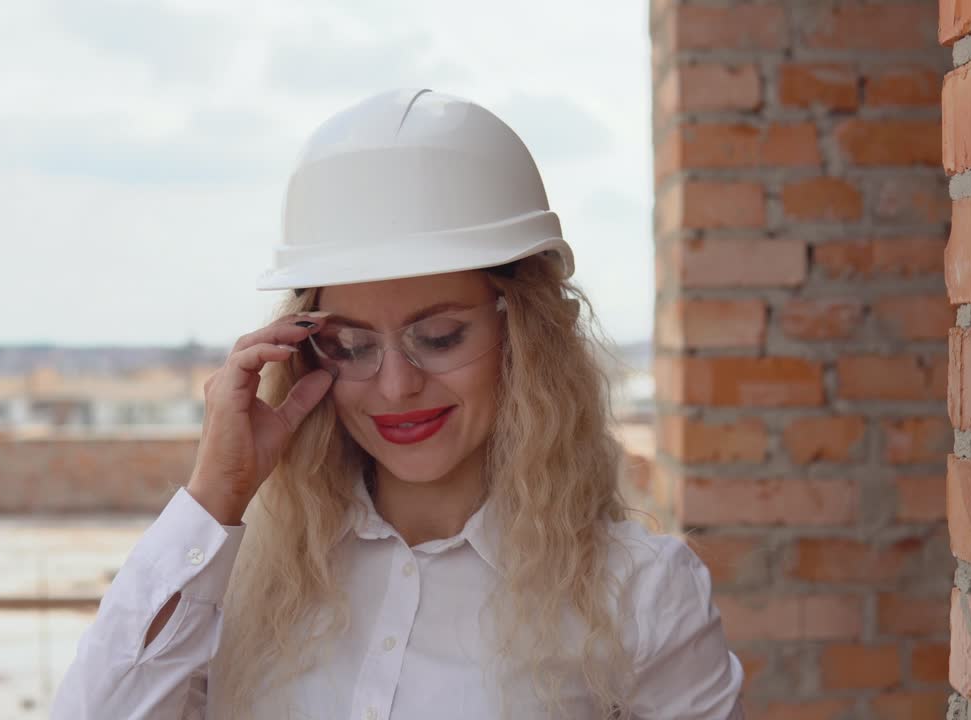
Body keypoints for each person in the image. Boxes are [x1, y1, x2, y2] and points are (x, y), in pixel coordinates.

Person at [51, 88, 744, 720]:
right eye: (351, 345)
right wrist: (212, 497)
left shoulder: (640, 595)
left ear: (524, 335)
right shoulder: (227, 581)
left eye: (438, 337)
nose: (394, 386)